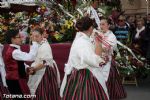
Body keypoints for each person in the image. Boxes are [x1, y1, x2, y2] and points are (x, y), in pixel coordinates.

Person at [60, 16, 109, 100]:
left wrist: (98, 42)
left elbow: (96, 55)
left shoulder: (84, 39)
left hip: (85, 72)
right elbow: (93, 60)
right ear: (90, 28)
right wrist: (101, 59)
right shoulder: (82, 42)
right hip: (84, 76)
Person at [3, 29, 38, 99]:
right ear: (13, 39)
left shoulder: (15, 50)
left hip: (15, 80)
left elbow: (19, 64)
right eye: (19, 37)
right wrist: (34, 42)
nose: (21, 39)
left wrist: (27, 68)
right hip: (15, 81)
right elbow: (31, 57)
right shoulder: (15, 52)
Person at [27, 27, 60, 100]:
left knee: (44, 92)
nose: (34, 38)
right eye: (33, 36)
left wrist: (33, 68)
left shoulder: (45, 46)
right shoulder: (34, 44)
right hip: (37, 67)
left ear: (42, 36)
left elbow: (45, 62)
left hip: (45, 71)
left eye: (37, 36)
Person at [99, 19, 127, 100]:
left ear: (108, 25)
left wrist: (99, 47)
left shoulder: (112, 36)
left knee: (108, 79)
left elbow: (110, 48)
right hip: (97, 61)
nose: (101, 26)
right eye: (100, 24)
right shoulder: (98, 34)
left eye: (103, 24)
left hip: (107, 61)